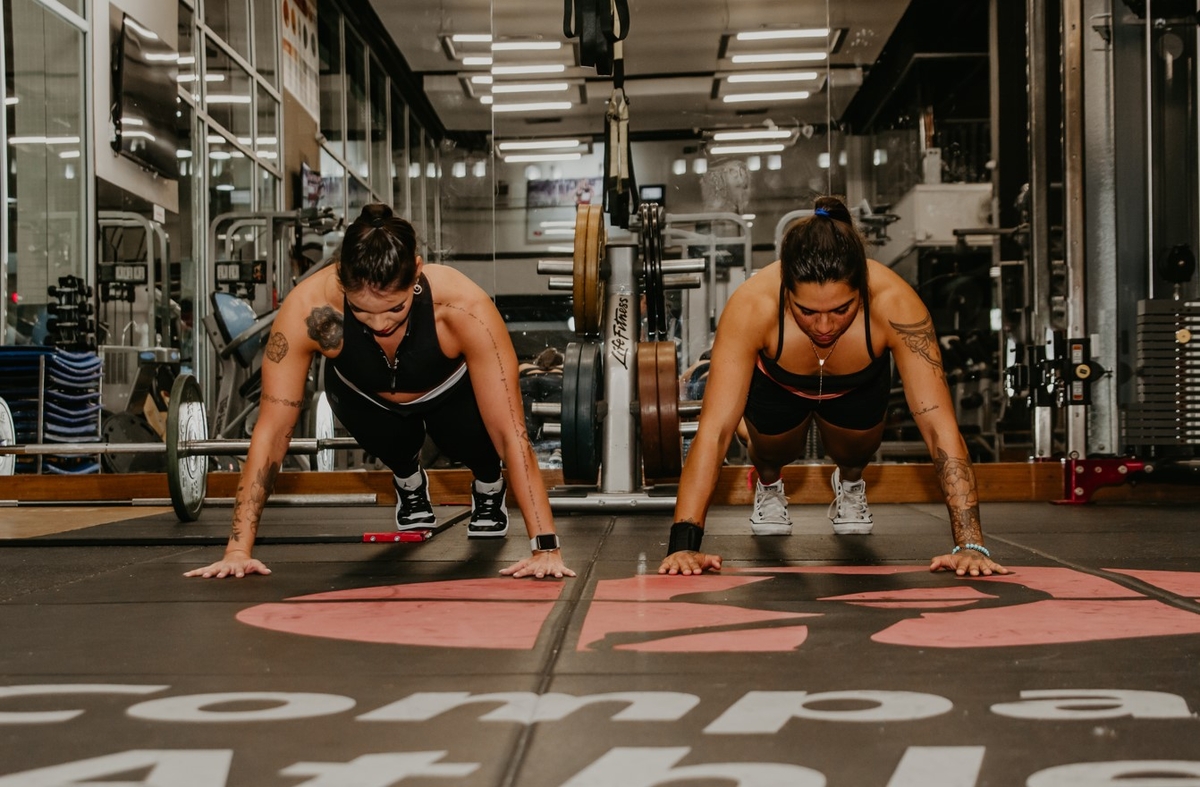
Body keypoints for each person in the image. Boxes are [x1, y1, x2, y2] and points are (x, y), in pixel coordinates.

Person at [186, 203, 574, 581]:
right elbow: (271, 433)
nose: (380, 324)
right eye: (362, 311)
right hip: (366, 397)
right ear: (341, 279)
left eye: (394, 309)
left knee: (471, 438)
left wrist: (545, 547)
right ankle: (408, 479)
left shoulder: (462, 306)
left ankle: (488, 484)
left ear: (417, 273)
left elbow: (511, 432)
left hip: (449, 394)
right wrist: (238, 549)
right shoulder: (308, 309)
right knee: (391, 439)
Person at [658, 195, 1008, 579]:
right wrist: (684, 547)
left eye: (841, 309)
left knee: (856, 451)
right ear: (786, 289)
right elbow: (714, 430)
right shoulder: (752, 306)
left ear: (862, 288)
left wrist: (970, 544)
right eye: (807, 311)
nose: (824, 327)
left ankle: (851, 484)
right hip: (780, 385)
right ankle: (770, 485)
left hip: (855, 385)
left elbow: (938, 424)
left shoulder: (895, 303)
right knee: (771, 451)